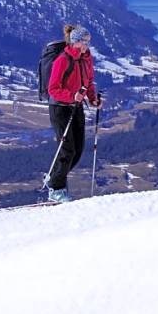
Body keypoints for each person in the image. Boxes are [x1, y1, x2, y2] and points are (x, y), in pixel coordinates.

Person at [45, 25, 102, 203]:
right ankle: (56, 189)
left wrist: (93, 99)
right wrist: (71, 96)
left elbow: (89, 82)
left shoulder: (86, 59)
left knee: (77, 150)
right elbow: (53, 89)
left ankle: (54, 178)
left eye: (88, 41)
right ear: (74, 42)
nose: (86, 45)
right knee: (67, 149)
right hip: (60, 108)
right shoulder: (62, 60)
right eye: (83, 42)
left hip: (76, 107)